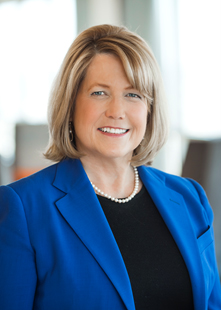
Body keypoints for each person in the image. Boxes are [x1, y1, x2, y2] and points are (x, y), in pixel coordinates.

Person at [0, 24, 220, 310]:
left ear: (149, 109)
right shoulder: (23, 208)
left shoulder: (189, 197)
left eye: (133, 95)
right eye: (99, 93)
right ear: (71, 104)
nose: (117, 111)